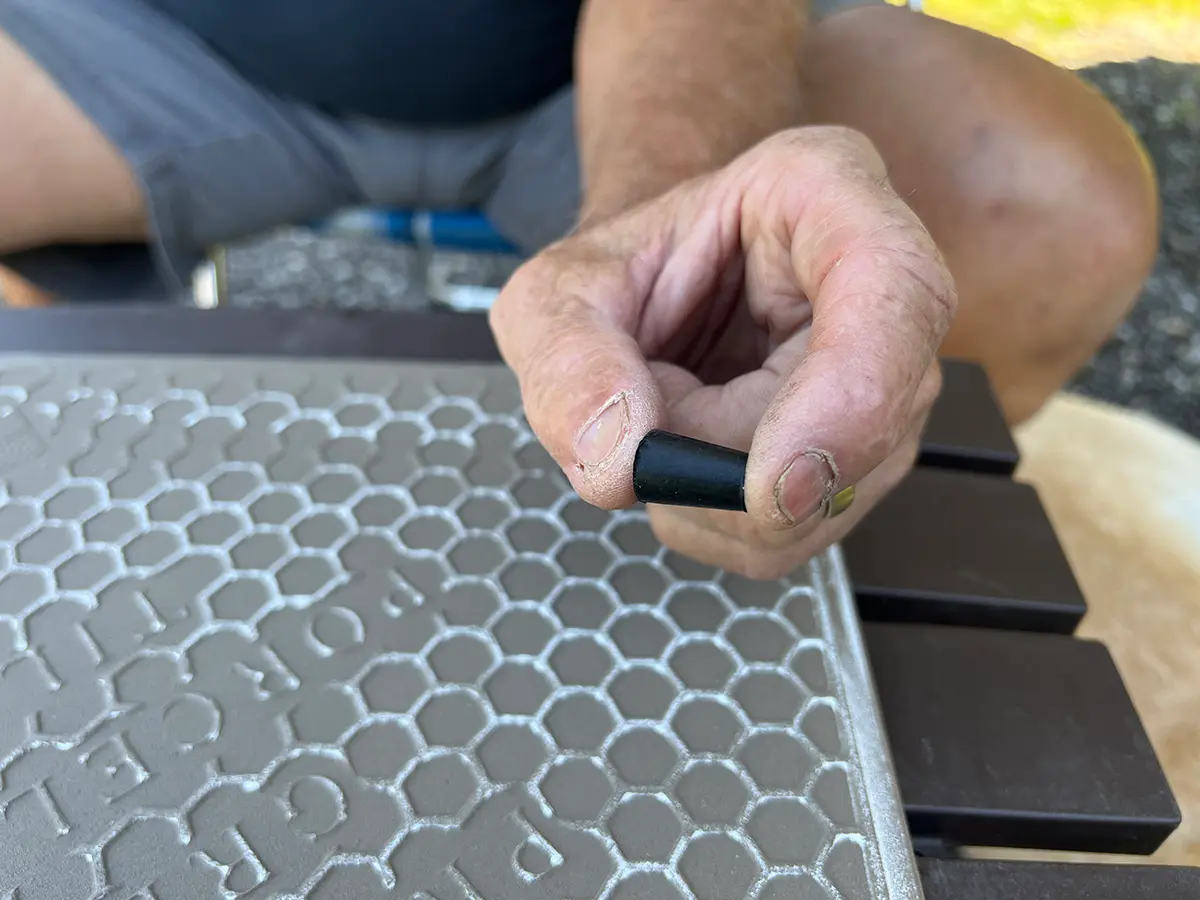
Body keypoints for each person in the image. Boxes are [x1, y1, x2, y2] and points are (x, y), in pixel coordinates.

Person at [0, 0, 1159, 577]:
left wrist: (668, 195)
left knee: (1050, 212)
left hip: (596, 58)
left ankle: (850, 581)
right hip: (156, 37)